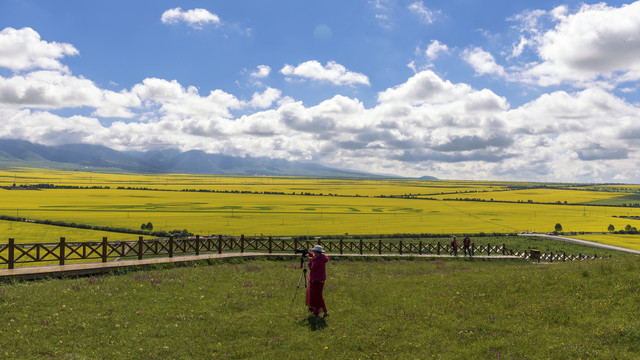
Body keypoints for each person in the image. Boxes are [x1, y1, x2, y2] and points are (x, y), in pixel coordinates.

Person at [306, 244, 329, 318]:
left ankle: (317, 312)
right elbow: (314, 257)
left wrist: (309, 263)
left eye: (314, 251)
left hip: (316, 280)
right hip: (320, 280)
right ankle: (324, 312)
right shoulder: (322, 257)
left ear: (316, 252)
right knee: (319, 296)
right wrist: (309, 253)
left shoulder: (318, 260)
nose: (313, 253)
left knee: (316, 297)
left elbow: (312, 269)